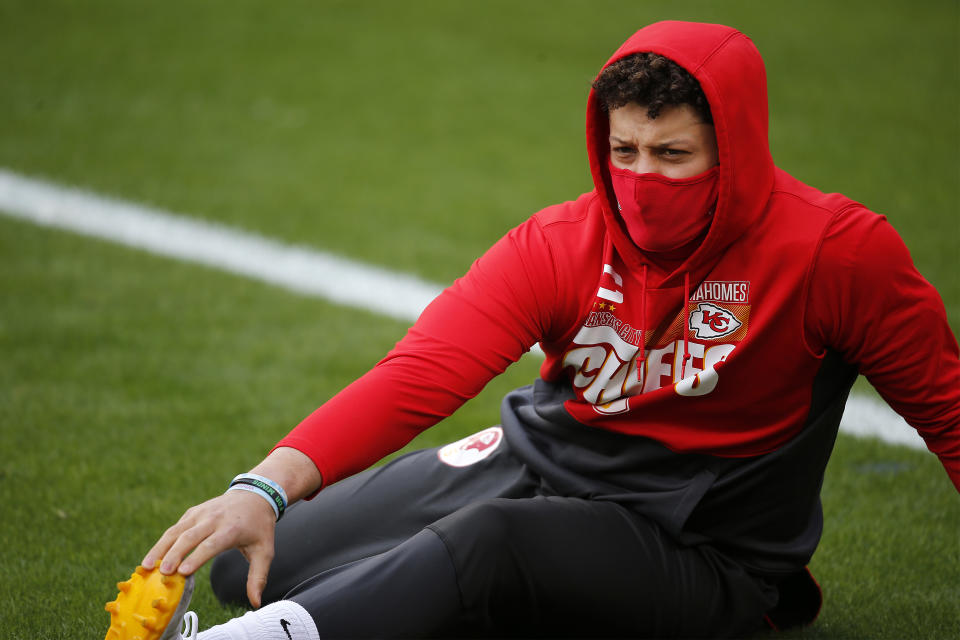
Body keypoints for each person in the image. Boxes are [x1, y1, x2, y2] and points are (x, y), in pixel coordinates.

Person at [131, 20, 959, 639]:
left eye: (673, 156)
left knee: (491, 547)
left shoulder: (837, 254)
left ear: (736, 150)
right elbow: (426, 368)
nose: (641, 179)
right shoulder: (563, 240)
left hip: (695, 546)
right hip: (531, 467)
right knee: (252, 563)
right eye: (623, 150)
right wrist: (262, 488)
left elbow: (949, 413)